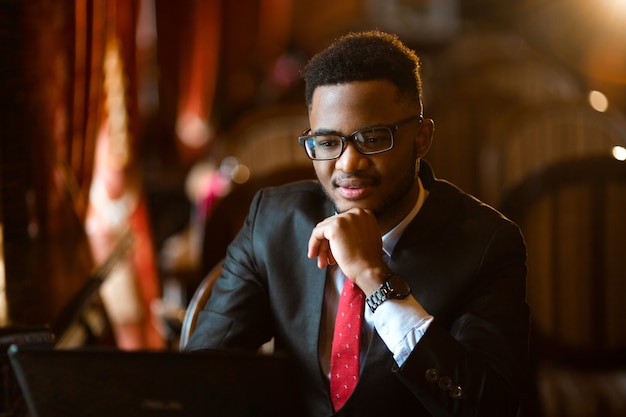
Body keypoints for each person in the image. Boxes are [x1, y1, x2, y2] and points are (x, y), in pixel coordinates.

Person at [185, 30, 529, 416]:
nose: (348, 164)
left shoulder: (488, 245)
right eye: (328, 142)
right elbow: (201, 376)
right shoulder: (273, 221)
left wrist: (375, 280)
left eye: (372, 138)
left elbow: (488, 407)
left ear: (422, 138)